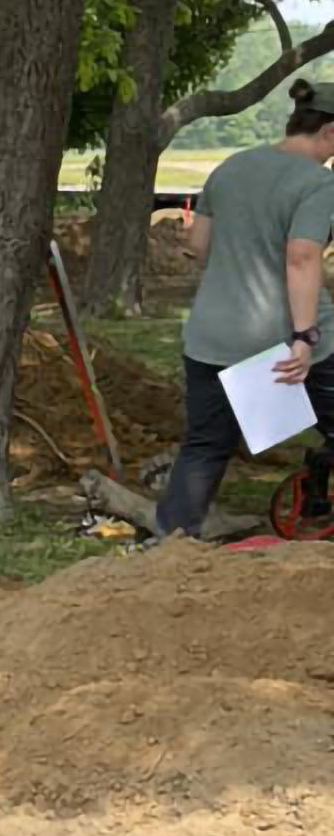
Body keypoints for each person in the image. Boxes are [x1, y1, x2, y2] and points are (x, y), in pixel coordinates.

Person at [157, 78, 334, 537]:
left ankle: (171, 546)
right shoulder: (317, 182)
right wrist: (303, 337)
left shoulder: (232, 166)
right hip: (280, 338)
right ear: (329, 132)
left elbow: (199, 246)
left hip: (211, 335)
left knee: (204, 446)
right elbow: (302, 256)